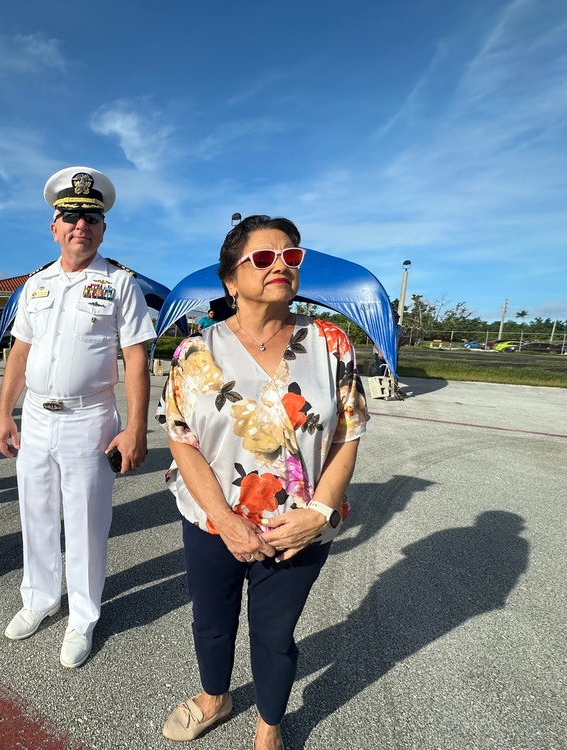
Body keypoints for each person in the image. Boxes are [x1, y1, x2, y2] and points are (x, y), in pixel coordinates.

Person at [157, 215, 368, 748]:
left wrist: (318, 514)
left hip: (297, 526)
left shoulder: (329, 342)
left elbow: (348, 433)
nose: (282, 264)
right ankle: (214, 698)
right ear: (230, 279)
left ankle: (269, 724)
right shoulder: (193, 353)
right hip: (213, 521)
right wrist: (224, 519)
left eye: (291, 257)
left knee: (274, 636)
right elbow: (182, 439)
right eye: (264, 257)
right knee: (211, 622)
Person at [0, 167, 155, 669]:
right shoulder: (35, 285)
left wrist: (135, 427)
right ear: (54, 227)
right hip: (37, 415)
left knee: (86, 521)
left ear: (102, 229)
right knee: (35, 511)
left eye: (90, 217)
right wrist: (3, 413)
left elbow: (136, 358)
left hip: (90, 419)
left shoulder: (120, 283)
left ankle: (83, 616)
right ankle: (40, 598)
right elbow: (19, 353)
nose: (79, 225)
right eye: (70, 216)